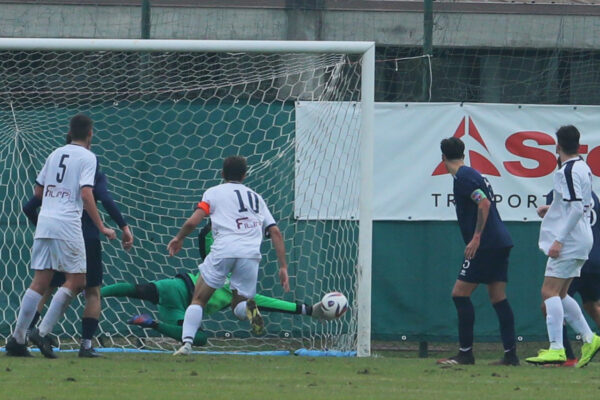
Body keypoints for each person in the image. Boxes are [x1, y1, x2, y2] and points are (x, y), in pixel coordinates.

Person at [103, 222, 324, 346]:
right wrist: (306, 310)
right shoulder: (236, 283)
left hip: (176, 292)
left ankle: (96, 293)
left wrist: (218, 221)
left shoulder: (217, 264)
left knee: (138, 290)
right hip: (183, 294)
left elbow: (205, 236)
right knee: (200, 336)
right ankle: (152, 324)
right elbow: (269, 302)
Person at [5, 114, 116, 358]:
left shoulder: (55, 153)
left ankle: (18, 338)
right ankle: (42, 333)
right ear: (90, 134)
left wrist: (54, 205)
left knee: (40, 281)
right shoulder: (88, 157)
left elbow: (38, 190)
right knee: (77, 281)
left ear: (70, 131)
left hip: (46, 220)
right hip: (67, 223)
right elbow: (87, 194)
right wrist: (102, 227)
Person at [22, 134, 133, 357]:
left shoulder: (56, 170)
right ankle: (84, 345)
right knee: (91, 290)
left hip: (54, 232)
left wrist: (43, 225)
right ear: (88, 140)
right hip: (82, 234)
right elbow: (104, 198)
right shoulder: (90, 167)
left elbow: (29, 206)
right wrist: (122, 225)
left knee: (45, 287)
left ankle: (24, 335)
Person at [167, 155, 289, 355]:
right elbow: (275, 232)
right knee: (239, 304)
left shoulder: (213, 193)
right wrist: (283, 266)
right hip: (250, 254)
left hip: (224, 250)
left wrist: (179, 238)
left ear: (222, 173)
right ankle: (251, 313)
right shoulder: (256, 198)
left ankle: (187, 343)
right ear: (245, 175)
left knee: (198, 299)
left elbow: (193, 221)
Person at [436, 137, 518, 366]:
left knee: (459, 294)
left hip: (487, 244)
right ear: (463, 154)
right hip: (500, 241)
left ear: (442, 158)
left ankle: (465, 353)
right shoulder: (471, 174)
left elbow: (483, 203)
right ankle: (511, 355)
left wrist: (476, 238)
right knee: (498, 297)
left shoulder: (463, 177)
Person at [526, 125, 600, 367]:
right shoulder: (583, 167)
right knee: (561, 293)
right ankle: (590, 338)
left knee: (548, 292)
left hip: (571, 239)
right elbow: (579, 204)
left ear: (557, 147)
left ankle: (557, 348)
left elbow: (577, 207)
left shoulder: (566, 171)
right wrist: (552, 209)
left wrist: (558, 240)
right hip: (583, 237)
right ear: (578, 145)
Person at [537, 189, 600, 367]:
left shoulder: (559, 192)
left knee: (550, 299)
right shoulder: (591, 194)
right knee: (592, 306)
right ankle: (585, 342)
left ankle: (565, 355)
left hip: (572, 251)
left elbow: (565, 219)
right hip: (592, 255)